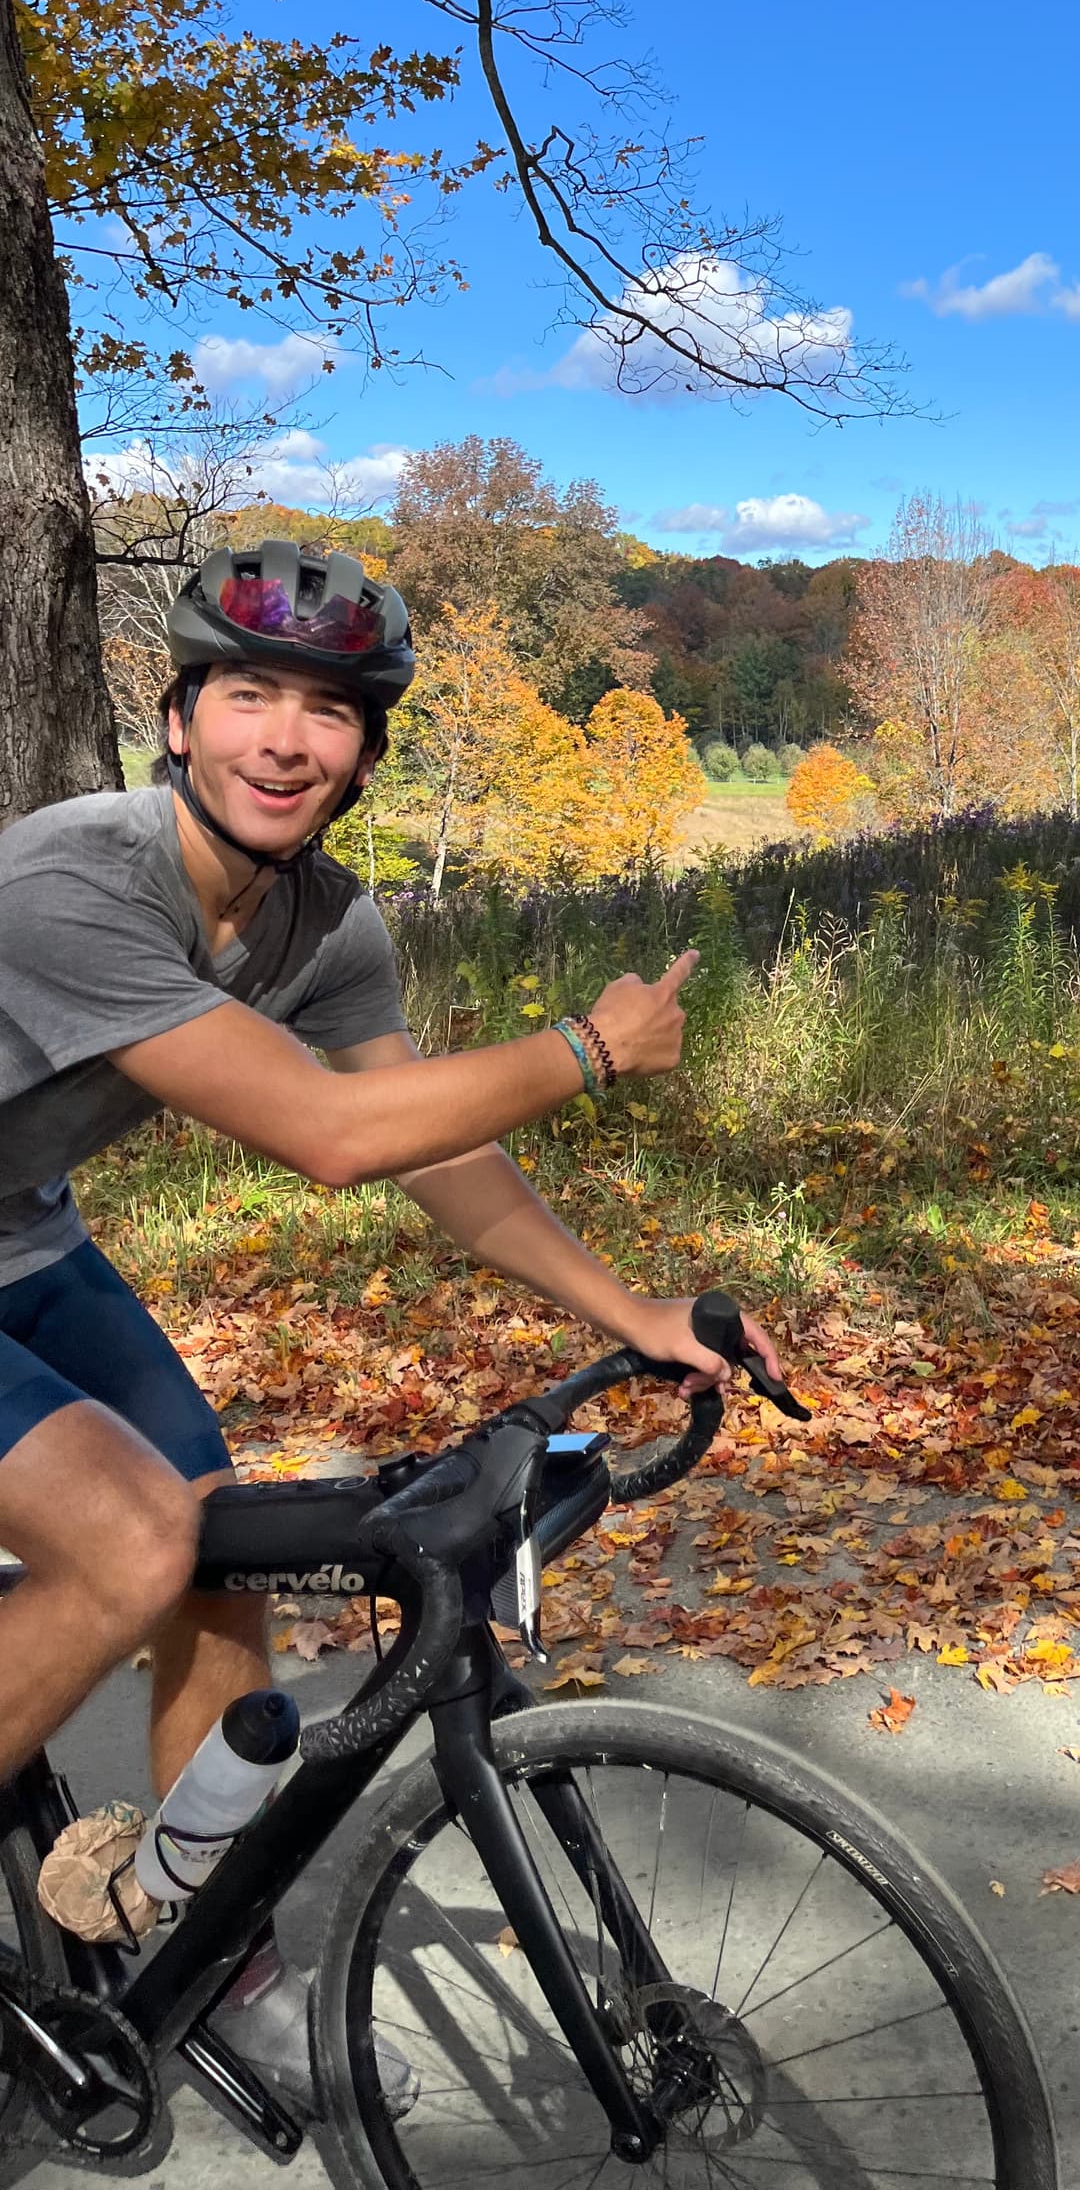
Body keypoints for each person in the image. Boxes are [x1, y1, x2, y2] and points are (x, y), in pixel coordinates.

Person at [0, 539, 781, 2110]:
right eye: (248, 695)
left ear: (364, 751)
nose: (286, 738)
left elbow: (424, 1142)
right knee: (132, 1538)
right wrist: (590, 1046)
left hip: (23, 1240)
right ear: (176, 719)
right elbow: (328, 1136)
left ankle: (208, 1952)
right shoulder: (66, 878)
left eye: (330, 711)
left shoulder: (325, 928)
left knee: (222, 1535)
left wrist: (634, 1308)